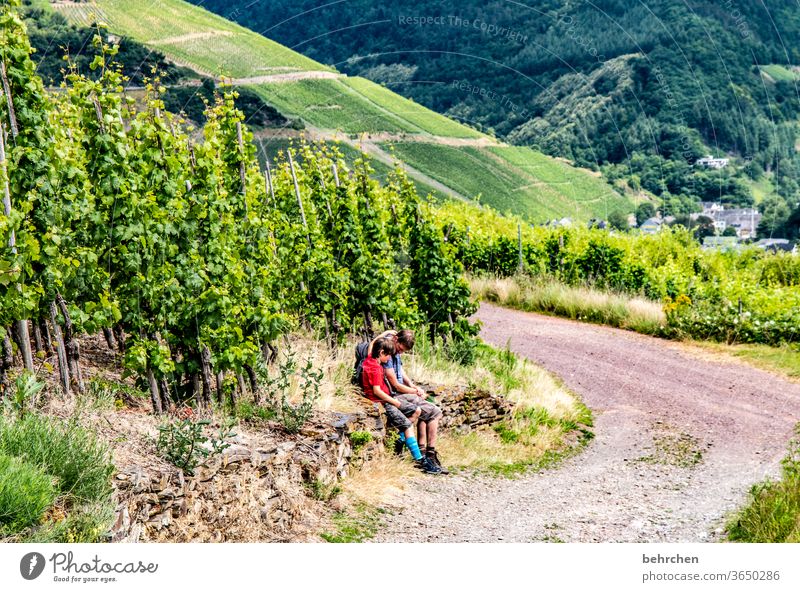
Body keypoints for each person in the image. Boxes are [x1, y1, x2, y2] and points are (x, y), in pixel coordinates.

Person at [361, 337, 441, 474]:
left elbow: (373, 345)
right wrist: (395, 402)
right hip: (386, 402)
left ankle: (400, 440)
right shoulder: (374, 368)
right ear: (381, 353)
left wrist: (387, 334)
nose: (389, 359)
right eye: (388, 355)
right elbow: (377, 391)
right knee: (408, 425)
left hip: (389, 399)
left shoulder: (371, 360)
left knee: (417, 411)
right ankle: (420, 460)